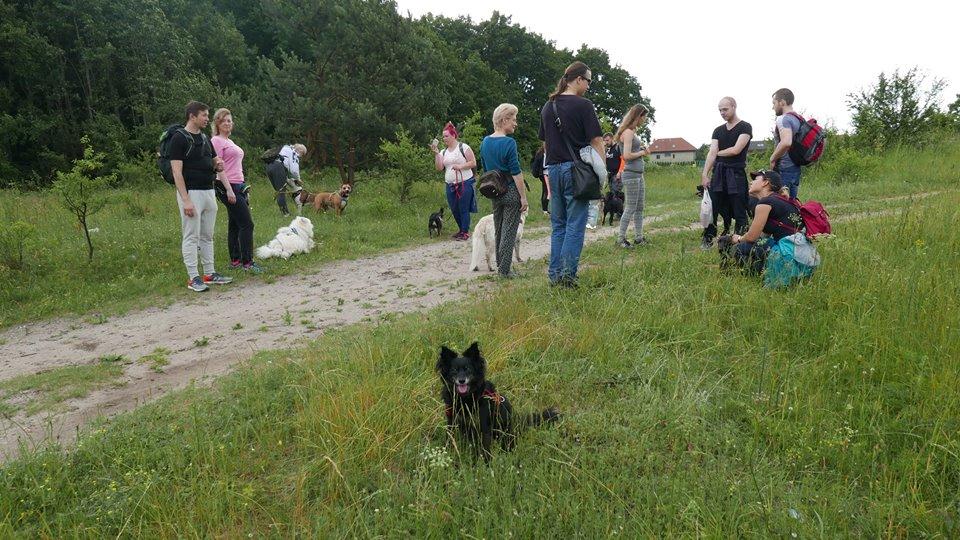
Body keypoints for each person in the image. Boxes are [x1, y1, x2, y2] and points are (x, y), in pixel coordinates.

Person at [539, 61, 605, 288]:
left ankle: (554, 276)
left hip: (554, 170)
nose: (588, 85)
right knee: (575, 225)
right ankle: (567, 277)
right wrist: (601, 172)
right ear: (578, 79)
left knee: (559, 225)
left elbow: (546, 144)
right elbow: (597, 141)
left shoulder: (549, 106)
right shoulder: (583, 105)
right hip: (575, 171)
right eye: (588, 80)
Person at [170, 101, 233, 292]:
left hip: (208, 190)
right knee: (191, 236)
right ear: (192, 116)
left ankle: (209, 273)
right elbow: (176, 172)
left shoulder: (205, 138)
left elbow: (214, 161)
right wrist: (186, 199)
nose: (207, 119)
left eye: (207, 115)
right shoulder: (179, 138)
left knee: (207, 235)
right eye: (204, 115)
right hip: (191, 193)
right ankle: (193, 277)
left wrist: (218, 165)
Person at [479, 103, 529, 279]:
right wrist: (523, 197)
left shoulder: (485, 142)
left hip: (494, 192)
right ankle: (505, 272)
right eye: (514, 120)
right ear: (504, 119)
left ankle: (501, 267)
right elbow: (516, 172)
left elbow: (486, 169)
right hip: (510, 191)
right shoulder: (509, 143)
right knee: (509, 232)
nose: (516, 123)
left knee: (499, 230)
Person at [210, 108, 262, 274]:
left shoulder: (230, 141)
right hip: (227, 185)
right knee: (247, 224)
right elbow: (218, 167)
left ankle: (235, 260)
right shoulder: (216, 141)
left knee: (235, 224)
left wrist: (242, 187)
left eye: (230, 120)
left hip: (238, 184)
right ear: (217, 123)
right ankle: (248, 262)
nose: (228, 123)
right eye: (224, 120)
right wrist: (228, 190)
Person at [724, 169, 804, 274]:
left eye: (756, 179)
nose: (751, 182)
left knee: (740, 248)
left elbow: (752, 237)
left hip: (789, 255)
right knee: (755, 245)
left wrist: (738, 238)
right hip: (802, 255)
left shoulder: (765, 202)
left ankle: (753, 275)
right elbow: (762, 236)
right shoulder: (780, 200)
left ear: (766, 183)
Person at [700, 97, 753, 249]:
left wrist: (717, 152)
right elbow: (711, 152)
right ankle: (708, 239)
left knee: (739, 209)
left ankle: (739, 242)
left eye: (725, 109)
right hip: (718, 175)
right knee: (713, 208)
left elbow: (736, 150)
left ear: (734, 107)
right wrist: (705, 174)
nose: (722, 113)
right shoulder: (718, 130)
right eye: (720, 110)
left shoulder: (745, 127)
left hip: (736, 174)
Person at [431, 122, 478, 240]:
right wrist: (436, 154)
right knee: (454, 208)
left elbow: (473, 162)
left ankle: (465, 232)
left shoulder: (464, 147)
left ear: (453, 135)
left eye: (446, 136)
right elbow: (439, 168)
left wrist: (460, 166)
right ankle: (461, 230)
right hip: (450, 184)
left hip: (465, 182)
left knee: (463, 207)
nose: (444, 138)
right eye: (443, 136)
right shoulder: (443, 152)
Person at [615, 104, 652, 248]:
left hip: (638, 174)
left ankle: (639, 237)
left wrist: (641, 148)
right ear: (638, 116)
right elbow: (627, 156)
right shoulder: (628, 132)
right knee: (630, 207)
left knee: (639, 208)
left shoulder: (632, 131)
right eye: (644, 117)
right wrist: (643, 153)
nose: (645, 120)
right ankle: (620, 239)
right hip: (631, 175)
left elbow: (631, 151)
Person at [770, 88, 802, 199]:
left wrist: (773, 158)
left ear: (782, 102)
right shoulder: (798, 119)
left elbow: (786, 142)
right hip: (795, 167)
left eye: (774, 103)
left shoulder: (783, 119)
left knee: (781, 205)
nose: (773, 107)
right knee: (792, 205)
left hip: (783, 168)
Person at [266, 143, 307, 216]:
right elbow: (294, 171)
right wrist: (298, 179)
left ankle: (284, 212)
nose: (301, 156)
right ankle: (286, 214)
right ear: (300, 151)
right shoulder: (294, 153)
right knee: (281, 192)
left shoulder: (285, 148)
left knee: (279, 190)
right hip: (278, 168)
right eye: (302, 154)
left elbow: (287, 165)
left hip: (269, 166)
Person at [530, 143, 550, 215]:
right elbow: (544, 165)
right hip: (545, 174)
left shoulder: (546, 152)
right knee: (546, 191)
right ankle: (545, 210)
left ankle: (546, 209)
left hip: (549, 174)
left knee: (548, 191)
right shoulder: (541, 154)